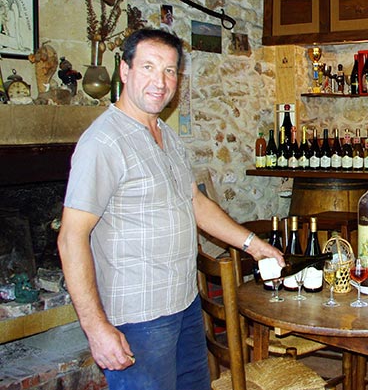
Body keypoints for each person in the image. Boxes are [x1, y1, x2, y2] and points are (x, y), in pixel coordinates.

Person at [58, 28, 284, 390]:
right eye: (148, 67)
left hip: (183, 305)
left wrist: (254, 245)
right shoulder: (103, 141)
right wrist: (96, 327)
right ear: (125, 71)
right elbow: (71, 238)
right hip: (138, 317)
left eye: (169, 71)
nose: (160, 81)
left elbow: (194, 203)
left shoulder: (166, 134)